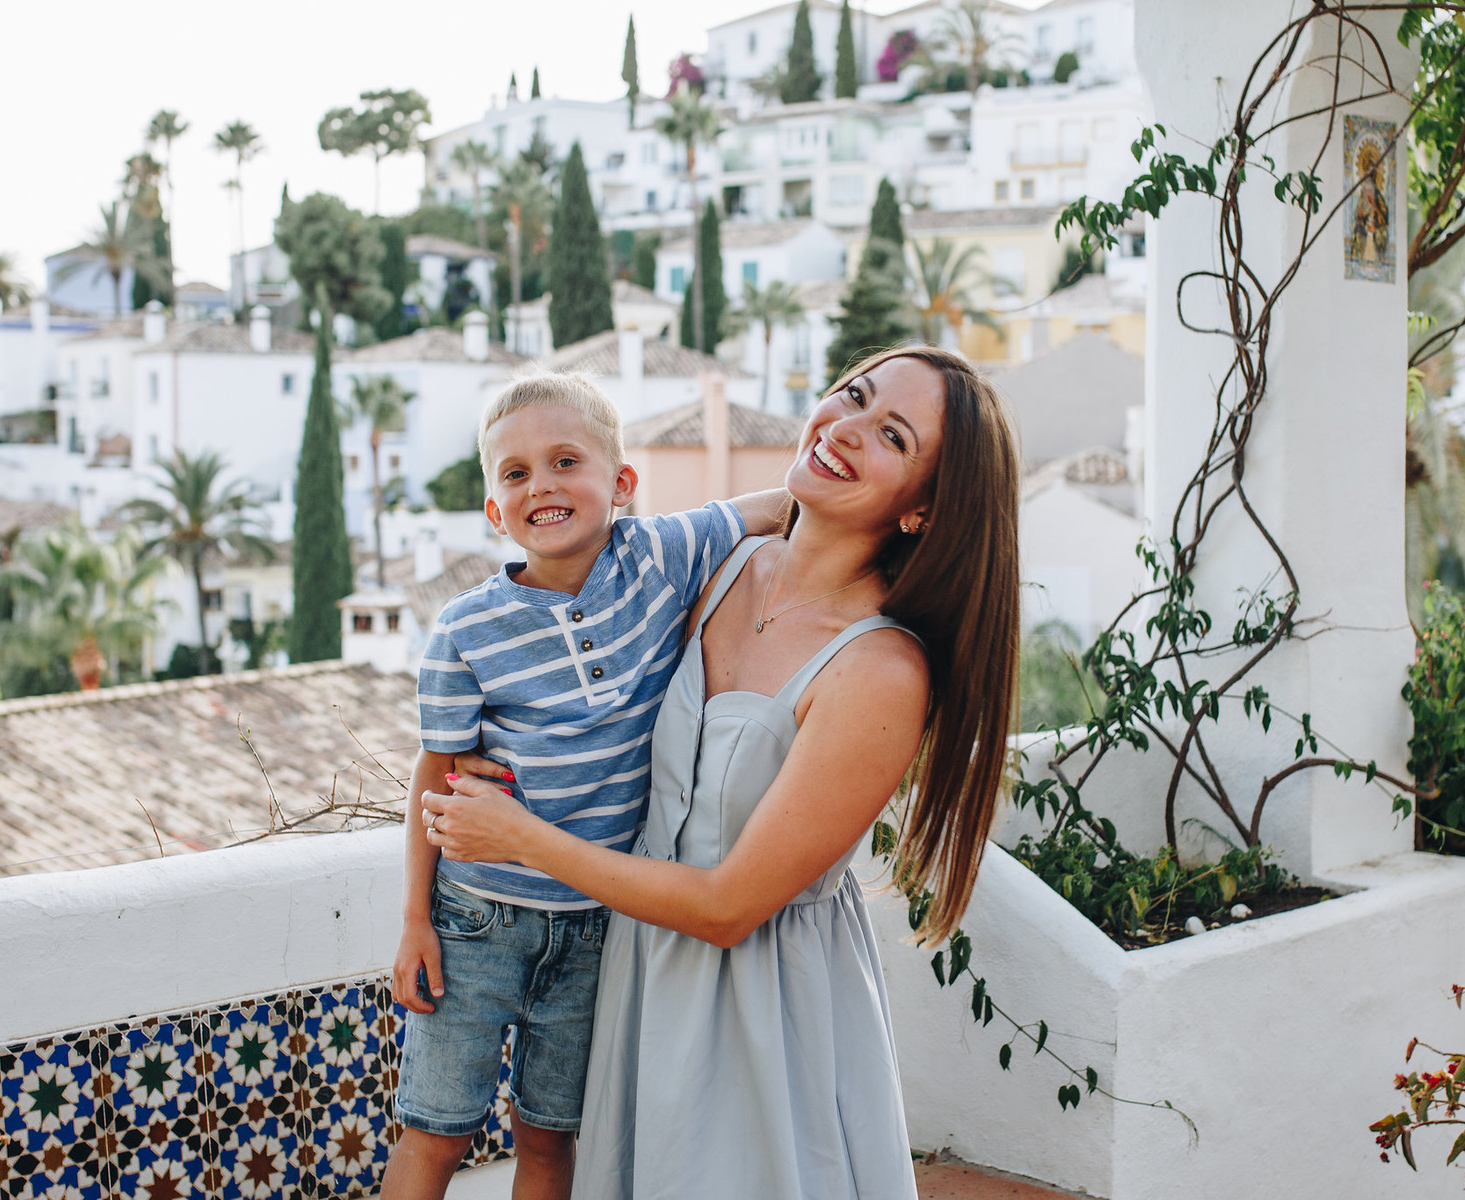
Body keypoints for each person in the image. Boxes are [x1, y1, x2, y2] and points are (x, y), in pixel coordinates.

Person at [424, 346, 1022, 1200]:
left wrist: (521, 839)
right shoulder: (722, 565)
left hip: (764, 1012)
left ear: (925, 508)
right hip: (642, 969)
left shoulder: (881, 672)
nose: (845, 427)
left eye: (889, 434)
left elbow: (729, 907)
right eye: (850, 396)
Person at [380, 372, 789, 1200]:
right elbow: (438, 770)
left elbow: (784, 505)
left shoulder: (664, 553)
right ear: (495, 510)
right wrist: (417, 920)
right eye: (517, 474)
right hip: (476, 919)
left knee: (551, 1135)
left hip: (600, 929)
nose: (543, 486)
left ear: (622, 483)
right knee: (434, 1130)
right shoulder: (465, 628)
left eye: (567, 460)